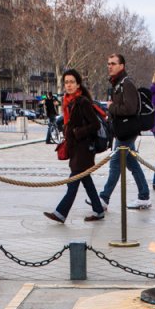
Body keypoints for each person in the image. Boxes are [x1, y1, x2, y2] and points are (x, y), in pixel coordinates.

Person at [43, 69, 105, 224]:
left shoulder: (82, 102)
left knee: (73, 182)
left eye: (72, 82)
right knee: (86, 182)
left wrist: (78, 132)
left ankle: (60, 213)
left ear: (78, 84)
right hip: (76, 148)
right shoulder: (68, 102)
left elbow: (95, 124)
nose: (69, 85)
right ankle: (98, 210)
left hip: (84, 148)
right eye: (66, 82)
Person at [97, 53, 151, 209]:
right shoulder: (118, 83)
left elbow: (130, 108)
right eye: (108, 63)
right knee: (132, 164)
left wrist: (111, 107)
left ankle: (104, 199)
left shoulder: (126, 84)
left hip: (127, 131)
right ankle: (144, 196)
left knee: (115, 164)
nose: (110, 66)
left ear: (122, 66)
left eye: (113, 63)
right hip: (123, 130)